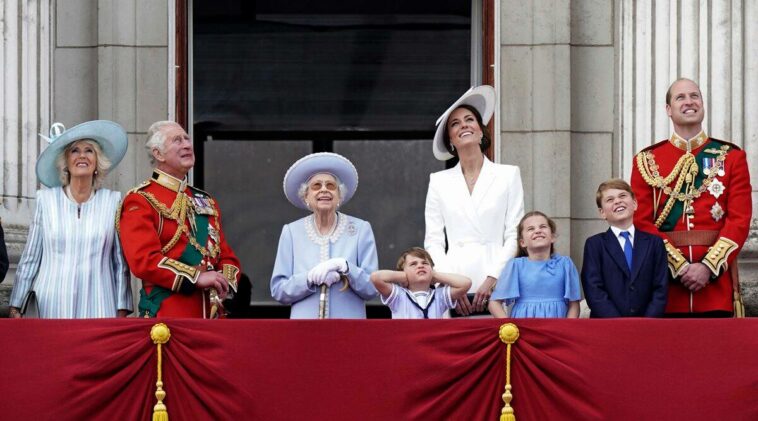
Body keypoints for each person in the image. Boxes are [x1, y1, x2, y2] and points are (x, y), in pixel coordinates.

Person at [630, 78, 752, 317]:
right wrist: (680, 266)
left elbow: (739, 220)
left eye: (694, 96)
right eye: (680, 97)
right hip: (665, 287)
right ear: (668, 109)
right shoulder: (647, 160)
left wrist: (707, 267)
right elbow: (641, 221)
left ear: (703, 104)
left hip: (715, 287)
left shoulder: (731, 157)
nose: (689, 102)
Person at [8, 121, 132, 318]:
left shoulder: (113, 201)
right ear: (65, 162)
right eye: (74, 150)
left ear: (97, 162)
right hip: (51, 306)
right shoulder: (45, 200)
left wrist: (121, 308)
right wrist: (16, 306)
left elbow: (119, 263)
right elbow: (31, 258)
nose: (82, 155)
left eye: (89, 150)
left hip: (100, 306)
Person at [118, 121, 241, 318]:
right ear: (158, 154)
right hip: (168, 315)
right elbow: (144, 261)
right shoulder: (141, 199)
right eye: (177, 140)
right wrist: (196, 277)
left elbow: (226, 256)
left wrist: (224, 281)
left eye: (186, 138)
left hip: (212, 314)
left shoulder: (205, 200)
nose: (186, 145)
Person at [425, 85, 525, 316]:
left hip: (498, 279)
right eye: (455, 123)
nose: (464, 126)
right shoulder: (438, 181)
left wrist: (493, 278)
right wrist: (449, 285)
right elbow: (434, 241)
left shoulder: (508, 174)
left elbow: (514, 234)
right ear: (450, 140)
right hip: (455, 279)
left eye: (469, 119)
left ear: (481, 131)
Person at [271, 152, 378, 319]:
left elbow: (372, 288)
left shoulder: (360, 229)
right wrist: (308, 278)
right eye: (316, 186)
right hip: (304, 329)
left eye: (330, 185)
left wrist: (346, 267)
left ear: (339, 196)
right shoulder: (291, 232)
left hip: (349, 328)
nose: (324, 190)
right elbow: (278, 290)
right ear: (306, 196)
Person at [581, 180, 668, 318]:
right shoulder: (595, 244)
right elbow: (593, 289)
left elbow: (660, 287)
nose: (617, 201)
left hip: (648, 326)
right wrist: (618, 324)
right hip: (608, 326)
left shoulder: (654, 243)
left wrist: (648, 322)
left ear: (634, 204)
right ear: (602, 212)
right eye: (610, 199)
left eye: (622, 196)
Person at [488, 211, 581, 318]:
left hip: (557, 327)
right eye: (531, 229)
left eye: (543, 226)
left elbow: (574, 304)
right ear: (522, 242)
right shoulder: (515, 266)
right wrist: (508, 326)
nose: (538, 231)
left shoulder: (565, 264)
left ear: (552, 237)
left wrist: (566, 329)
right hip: (523, 328)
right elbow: (494, 303)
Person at [371, 247, 470, 319]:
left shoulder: (439, 296)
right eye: (413, 264)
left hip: (432, 345)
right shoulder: (398, 295)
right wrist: (403, 276)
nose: (420, 266)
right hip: (407, 345)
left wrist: (435, 276)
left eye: (425, 263)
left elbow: (466, 283)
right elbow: (375, 277)